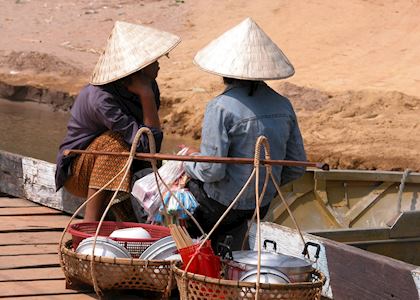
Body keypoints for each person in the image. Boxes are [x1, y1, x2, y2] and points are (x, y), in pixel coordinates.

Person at [184, 18, 307, 250]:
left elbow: (212, 170)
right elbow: (296, 166)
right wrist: (266, 186)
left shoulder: (220, 107)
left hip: (221, 204)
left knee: (164, 191)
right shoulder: (283, 105)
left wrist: (188, 163)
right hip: (262, 203)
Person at [55, 21, 180, 221]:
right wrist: (146, 96)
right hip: (79, 172)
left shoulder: (148, 85)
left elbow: (151, 148)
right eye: (153, 60)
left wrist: (147, 93)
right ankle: (90, 222)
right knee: (114, 142)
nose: (158, 62)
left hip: (125, 164)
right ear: (137, 67)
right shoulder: (102, 97)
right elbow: (146, 145)